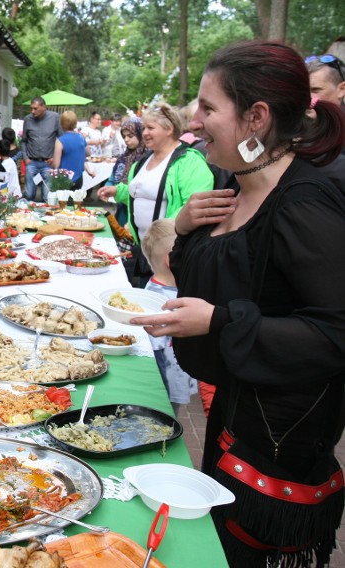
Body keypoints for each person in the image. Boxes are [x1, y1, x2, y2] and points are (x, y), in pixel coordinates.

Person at [131, 40, 345, 567]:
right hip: (233, 413)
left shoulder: (305, 205)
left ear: (256, 118)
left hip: (275, 440)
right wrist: (182, 229)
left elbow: (334, 333)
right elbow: (227, 276)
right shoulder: (232, 184)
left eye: (207, 109)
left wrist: (219, 321)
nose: (193, 123)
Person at [96, 102, 213, 286]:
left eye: (150, 127)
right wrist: (118, 191)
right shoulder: (143, 161)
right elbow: (141, 194)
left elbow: (195, 206)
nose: (145, 133)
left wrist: (161, 236)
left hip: (169, 255)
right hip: (142, 250)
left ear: (169, 129)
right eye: (143, 128)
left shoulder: (189, 162)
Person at [140, 218, 198, 417]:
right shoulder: (162, 302)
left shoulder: (163, 290)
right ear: (171, 258)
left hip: (175, 374)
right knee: (167, 416)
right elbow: (156, 354)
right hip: (168, 383)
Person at [106, 117, 147, 227]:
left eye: (130, 136)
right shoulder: (123, 158)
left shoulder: (147, 159)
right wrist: (107, 187)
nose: (126, 140)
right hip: (121, 209)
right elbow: (112, 178)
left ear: (140, 134)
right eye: (124, 136)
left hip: (137, 211)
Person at [20, 96, 62, 201]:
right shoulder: (28, 119)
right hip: (31, 162)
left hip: (48, 163)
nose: (32, 111)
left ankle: (46, 216)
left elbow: (61, 140)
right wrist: (25, 158)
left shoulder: (55, 118)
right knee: (29, 195)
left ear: (43, 107)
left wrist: (55, 158)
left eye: (35, 108)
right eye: (31, 108)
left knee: (47, 197)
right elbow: (23, 141)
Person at [57, 110, 92, 191]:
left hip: (64, 177)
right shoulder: (81, 138)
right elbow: (88, 153)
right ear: (75, 123)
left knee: (64, 201)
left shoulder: (60, 141)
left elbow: (56, 164)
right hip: (78, 176)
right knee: (76, 201)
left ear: (62, 124)